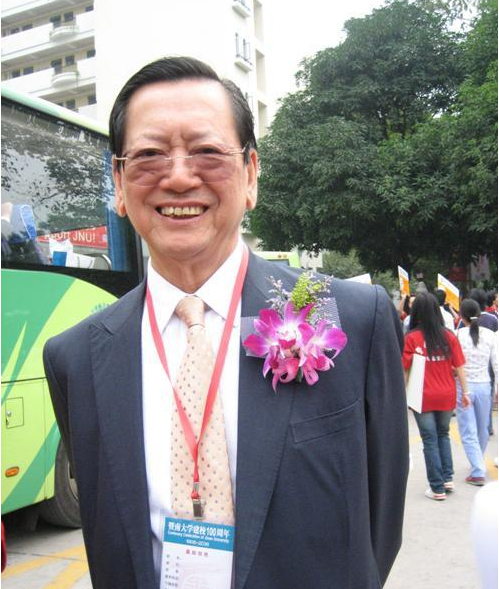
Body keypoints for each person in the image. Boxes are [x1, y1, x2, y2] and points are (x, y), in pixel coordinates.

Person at [43, 56, 409, 589]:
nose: (178, 176)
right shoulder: (75, 358)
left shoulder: (350, 318)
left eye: (207, 151)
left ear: (251, 173)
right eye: (148, 155)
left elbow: (381, 522)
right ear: (119, 184)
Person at [402, 292, 470, 501]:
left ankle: (437, 487)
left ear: (415, 312)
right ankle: (447, 478)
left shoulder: (411, 338)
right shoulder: (449, 336)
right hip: (446, 394)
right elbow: (459, 367)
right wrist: (466, 392)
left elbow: (405, 370)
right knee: (443, 434)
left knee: (429, 439)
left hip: (422, 396)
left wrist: (402, 397)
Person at [455, 299, 498, 486]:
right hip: (484, 385)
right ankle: (477, 462)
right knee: (482, 428)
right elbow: (496, 363)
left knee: (468, 430)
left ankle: (478, 469)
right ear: (479, 314)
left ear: (461, 316)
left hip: (463, 386)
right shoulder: (490, 335)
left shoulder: (458, 334)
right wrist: (497, 388)